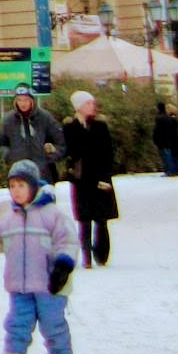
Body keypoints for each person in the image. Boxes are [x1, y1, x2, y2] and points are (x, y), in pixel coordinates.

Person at [0, 160, 77, 354]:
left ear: (34, 187)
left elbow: (67, 241)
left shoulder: (52, 215)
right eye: (12, 186)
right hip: (20, 286)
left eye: (21, 185)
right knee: (17, 325)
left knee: (53, 325)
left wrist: (63, 266)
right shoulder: (8, 218)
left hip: (50, 286)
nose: (16, 191)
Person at [62, 90, 117, 267]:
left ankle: (101, 254)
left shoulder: (100, 126)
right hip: (82, 180)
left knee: (102, 219)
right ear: (79, 106)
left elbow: (108, 153)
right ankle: (86, 257)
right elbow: (70, 151)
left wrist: (106, 177)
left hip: (100, 177)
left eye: (92, 103)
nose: (92, 106)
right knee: (84, 219)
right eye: (88, 103)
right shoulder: (70, 128)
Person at [0, 85, 66, 183]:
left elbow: (60, 143)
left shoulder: (45, 118)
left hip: (43, 174)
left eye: (26, 100)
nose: (22, 103)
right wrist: (9, 156)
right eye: (19, 100)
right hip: (19, 175)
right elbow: (1, 144)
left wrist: (49, 157)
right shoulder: (8, 120)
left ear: (32, 100)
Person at [153, 102, 178, 178]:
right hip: (172, 140)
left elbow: (157, 130)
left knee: (167, 156)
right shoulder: (171, 119)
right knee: (172, 155)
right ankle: (174, 171)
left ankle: (169, 171)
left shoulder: (160, 118)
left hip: (164, 140)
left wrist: (156, 139)